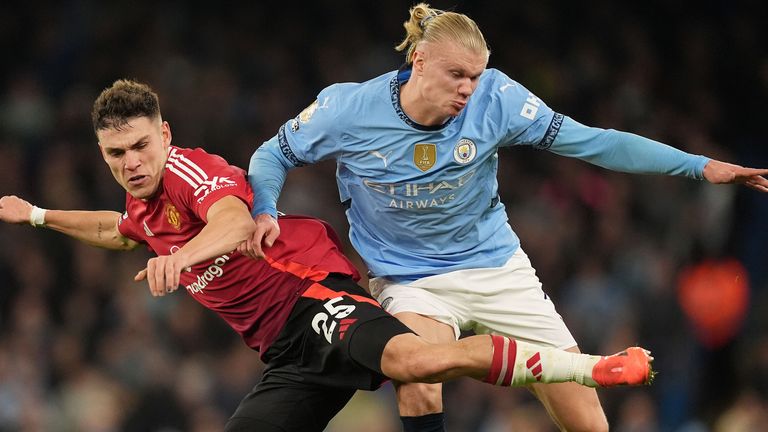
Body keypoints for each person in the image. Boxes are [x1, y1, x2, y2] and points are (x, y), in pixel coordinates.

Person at [0, 80, 653, 432]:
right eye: (116, 154)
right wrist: (33, 214)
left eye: (141, 146)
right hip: (289, 353)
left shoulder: (190, 176)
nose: (131, 163)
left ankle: (588, 366)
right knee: (414, 381)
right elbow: (116, 229)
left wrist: (182, 257)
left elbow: (230, 221)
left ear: (164, 134)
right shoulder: (145, 209)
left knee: (418, 361)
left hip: (317, 298)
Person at [241, 3, 768, 431]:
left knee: (589, 422)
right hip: (410, 279)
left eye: (474, 75)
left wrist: (700, 167)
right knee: (420, 380)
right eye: (456, 76)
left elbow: (594, 143)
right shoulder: (347, 109)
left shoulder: (498, 99)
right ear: (418, 61)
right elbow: (272, 154)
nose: (468, 89)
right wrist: (265, 208)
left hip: (497, 268)